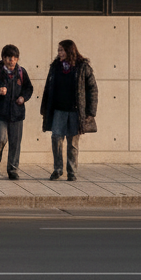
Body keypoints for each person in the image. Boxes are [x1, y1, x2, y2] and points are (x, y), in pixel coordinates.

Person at [40, 38, 98, 182]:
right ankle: (57, 169)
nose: (59, 53)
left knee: (72, 143)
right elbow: (48, 88)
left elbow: (93, 89)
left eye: (62, 50)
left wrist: (90, 112)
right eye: (58, 50)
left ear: (69, 50)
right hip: (58, 110)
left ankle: (72, 172)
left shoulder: (83, 67)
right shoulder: (55, 67)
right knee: (56, 139)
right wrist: (44, 108)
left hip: (75, 111)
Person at [0, 44, 33, 181]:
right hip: (0, 113)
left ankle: (12, 169)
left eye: (15, 58)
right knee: (1, 139)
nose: (12, 61)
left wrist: (23, 97)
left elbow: (29, 88)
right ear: (3, 58)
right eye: (9, 58)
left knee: (15, 143)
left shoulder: (21, 72)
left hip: (17, 113)